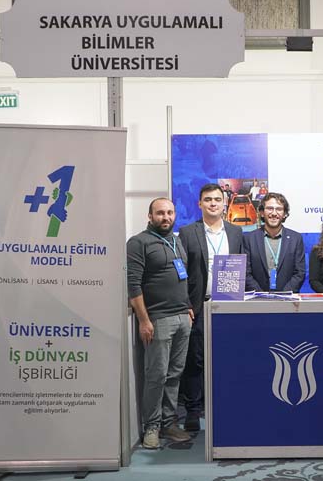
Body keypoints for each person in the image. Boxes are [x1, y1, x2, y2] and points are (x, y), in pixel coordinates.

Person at [126, 198, 193, 448]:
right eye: (160, 213)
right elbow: (133, 284)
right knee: (157, 375)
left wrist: (187, 305)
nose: (166, 217)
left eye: (170, 213)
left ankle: (169, 423)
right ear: (150, 216)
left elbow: (182, 277)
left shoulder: (176, 240)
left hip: (182, 317)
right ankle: (151, 427)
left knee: (175, 375)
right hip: (158, 318)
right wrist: (144, 319)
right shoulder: (138, 242)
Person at [178, 183, 243, 432]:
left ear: (225, 203)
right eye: (208, 200)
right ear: (200, 204)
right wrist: (185, 303)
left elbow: (242, 266)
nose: (213, 203)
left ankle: (225, 406)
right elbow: (181, 273)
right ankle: (193, 411)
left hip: (228, 304)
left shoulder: (236, 232)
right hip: (198, 305)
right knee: (195, 360)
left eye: (217, 199)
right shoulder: (187, 233)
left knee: (227, 358)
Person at [244, 192, 306, 292]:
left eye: (279, 209)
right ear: (262, 212)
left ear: (284, 214)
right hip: (257, 298)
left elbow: (300, 273)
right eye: (269, 208)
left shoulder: (296, 239)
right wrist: (261, 295)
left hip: (287, 298)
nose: (274, 213)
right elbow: (245, 273)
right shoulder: (249, 239)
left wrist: (284, 295)